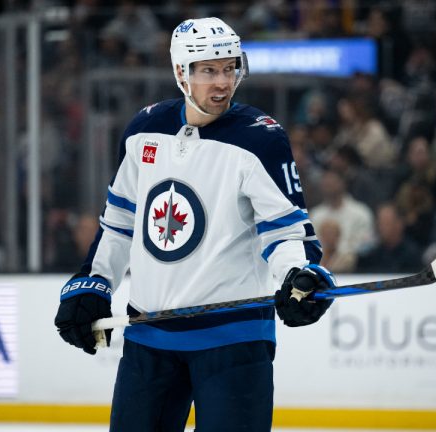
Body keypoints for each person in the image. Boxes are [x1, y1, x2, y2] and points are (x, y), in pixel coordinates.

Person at [54, 17, 334, 432]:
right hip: (149, 335)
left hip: (233, 339)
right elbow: (120, 221)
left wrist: (298, 272)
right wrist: (94, 281)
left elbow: (284, 231)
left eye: (229, 68)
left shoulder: (260, 139)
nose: (222, 83)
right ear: (181, 73)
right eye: (208, 70)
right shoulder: (143, 131)